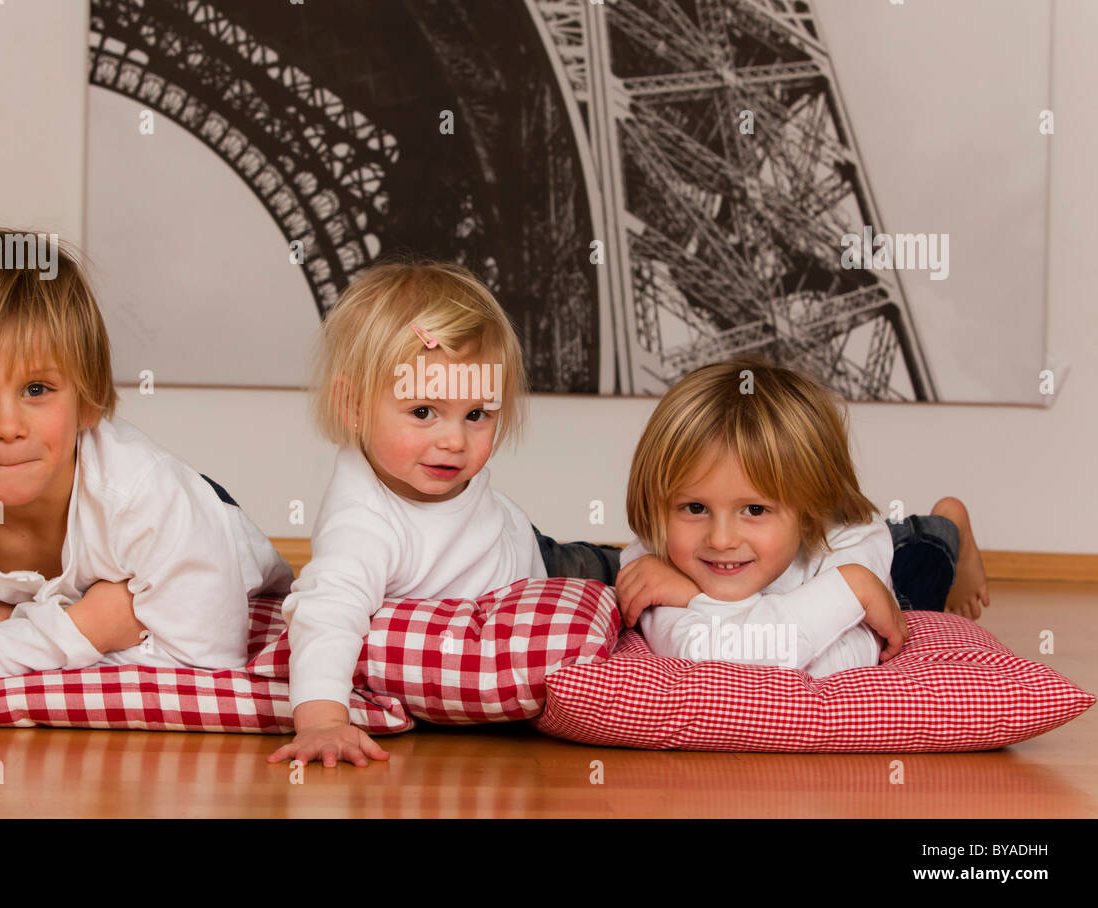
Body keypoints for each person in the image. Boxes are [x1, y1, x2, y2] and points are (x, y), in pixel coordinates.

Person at [0, 227, 293, 692]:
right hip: (95, 611)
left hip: (228, 581)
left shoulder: (148, 497)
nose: (7, 427)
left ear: (87, 400)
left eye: (37, 390)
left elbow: (203, 674)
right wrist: (87, 625)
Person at [268, 259, 615, 768]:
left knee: (635, 578)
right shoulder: (361, 523)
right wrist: (323, 722)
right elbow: (327, 615)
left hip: (538, 556)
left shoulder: (429, 463)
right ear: (353, 406)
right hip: (502, 590)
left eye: (477, 415)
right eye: (423, 412)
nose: (454, 440)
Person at [616, 354, 990, 677]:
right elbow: (707, 657)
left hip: (884, 565)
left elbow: (848, 661)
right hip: (823, 572)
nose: (721, 539)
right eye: (695, 508)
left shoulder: (852, 547)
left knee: (924, 559)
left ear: (811, 512)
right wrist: (698, 597)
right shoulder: (653, 561)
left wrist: (859, 582)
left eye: (755, 509)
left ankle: (951, 525)